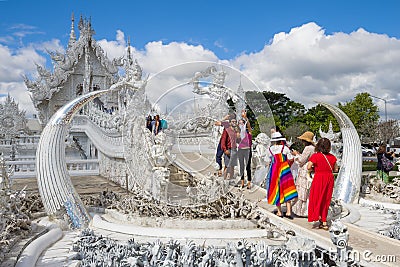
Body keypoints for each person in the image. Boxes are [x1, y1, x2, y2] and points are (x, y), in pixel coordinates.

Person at [307, 137, 338, 230]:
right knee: (325, 199)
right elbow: (336, 169)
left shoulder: (315, 156)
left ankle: (319, 217)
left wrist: (315, 168)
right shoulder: (332, 157)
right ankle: (324, 221)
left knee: (316, 198)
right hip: (329, 178)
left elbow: (308, 167)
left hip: (319, 178)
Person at [265, 132, 298, 219]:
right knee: (287, 188)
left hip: (275, 169)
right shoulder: (285, 148)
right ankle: (288, 211)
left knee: (276, 189)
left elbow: (267, 161)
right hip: (284, 168)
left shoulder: (269, 150)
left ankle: (279, 212)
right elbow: (291, 159)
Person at [291, 131, 315, 217]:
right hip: (310, 170)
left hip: (305, 170)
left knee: (302, 190)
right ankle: (306, 210)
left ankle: (301, 211)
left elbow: (301, 160)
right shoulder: (313, 148)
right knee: (307, 191)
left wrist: (296, 154)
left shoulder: (308, 148)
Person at [220, 115, 240, 179]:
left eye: (235, 121)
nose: (234, 122)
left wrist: (238, 136)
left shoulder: (236, 131)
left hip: (234, 149)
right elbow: (223, 141)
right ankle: (224, 179)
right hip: (228, 149)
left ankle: (231, 179)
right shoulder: (227, 130)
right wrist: (225, 150)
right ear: (230, 122)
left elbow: (238, 141)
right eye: (232, 121)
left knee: (232, 166)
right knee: (227, 165)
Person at [237, 110, 253, 189]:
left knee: (248, 166)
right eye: (239, 123)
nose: (240, 124)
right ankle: (242, 182)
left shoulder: (248, 132)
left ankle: (249, 182)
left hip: (247, 150)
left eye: (242, 123)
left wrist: (245, 117)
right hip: (240, 150)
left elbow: (249, 126)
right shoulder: (238, 133)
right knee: (241, 166)